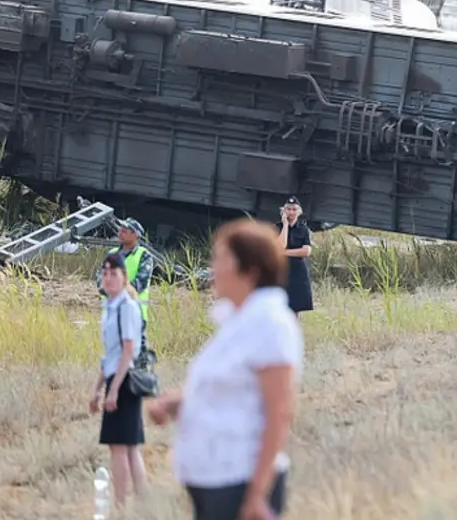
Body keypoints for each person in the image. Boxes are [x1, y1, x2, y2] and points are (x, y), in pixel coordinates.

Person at [148, 219, 303, 520]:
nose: (212, 268)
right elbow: (231, 389)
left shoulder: (271, 324)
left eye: (220, 259)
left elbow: (279, 412)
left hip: (240, 482)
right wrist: (178, 402)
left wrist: (257, 494)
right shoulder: (237, 321)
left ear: (251, 270)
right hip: (213, 481)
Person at [91, 252, 149, 508]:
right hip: (117, 377)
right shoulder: (111, 306)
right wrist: (97, 389)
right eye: (105, 273)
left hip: (124, 380)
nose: (108, 278)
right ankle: (145, 506)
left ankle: (120, 505)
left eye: (113, 274)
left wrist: (113, 390)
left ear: (124, 277)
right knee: (130, 447)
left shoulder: (126, 306)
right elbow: (110, 355)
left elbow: (127, 351)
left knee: (119, 448)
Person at [95, 218, 154, 342]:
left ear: (135, 235)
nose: (120, 232)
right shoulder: (111, 254)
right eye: (120, 229)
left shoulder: (144, 255)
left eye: (125, 231)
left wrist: (114, 290)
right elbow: (100, 276)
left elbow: (140, 283)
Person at [276, 197, 313, 316]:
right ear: (284, 211)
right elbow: (280, 246)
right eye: (288, 209)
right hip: (281, 270)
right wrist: (285, 225)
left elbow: (306, 251)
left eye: (294, 209)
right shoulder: (277, 228)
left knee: (295, 306)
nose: (291, 212)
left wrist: (285, 253)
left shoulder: (303, 229)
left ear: (299, 212)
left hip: (297, 271)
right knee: (279, 305)